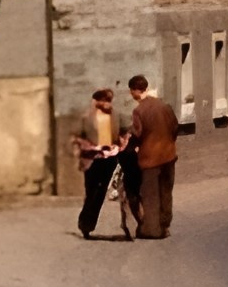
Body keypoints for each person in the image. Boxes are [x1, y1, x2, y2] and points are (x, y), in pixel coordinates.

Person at [74, 87, 134, 239]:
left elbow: (126, 131)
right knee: (91, 191)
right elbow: (79, 138)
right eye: (105, 101)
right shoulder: (87, 117)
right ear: (97, 101)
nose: (108, 104)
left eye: (109, 101)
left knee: (101, 192)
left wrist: (120, 145)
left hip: (109, 158)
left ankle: (88, 224)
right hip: (92, 159)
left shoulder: (116, 115)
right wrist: (93, 147)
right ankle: (85, 223)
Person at [126, 74, 180, 239]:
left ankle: (152, 230)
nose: (131, 95)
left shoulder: (139, 110)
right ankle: (165, 226)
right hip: (169, 155)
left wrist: (130, 144)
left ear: (135, 91)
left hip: (150, 159)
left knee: (150, 195)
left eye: (131, 91)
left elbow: (137, 134)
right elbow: (175, 127)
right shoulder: (164, 106)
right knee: (166, 192)